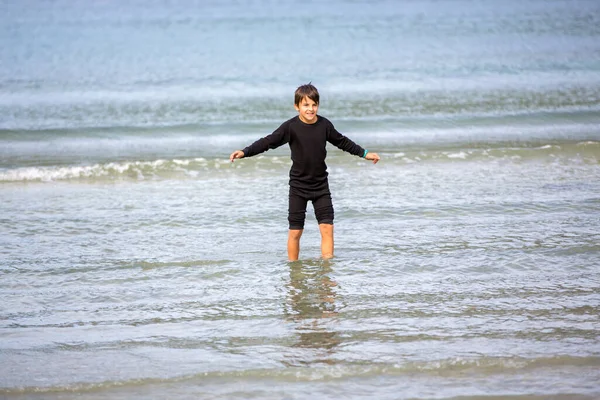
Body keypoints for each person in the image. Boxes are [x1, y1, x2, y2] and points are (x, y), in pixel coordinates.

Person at [229, 83, 380, 261]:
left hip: (321, 186)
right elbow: (268, 142)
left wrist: (364, 154)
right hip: (298, 188)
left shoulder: (325, 125)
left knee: (327, 229)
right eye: (306, 105)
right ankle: (294, 271)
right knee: (295, 232)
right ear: (297, 106)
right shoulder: (290, 127)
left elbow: (343, 142)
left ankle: (326, 270)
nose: (310, 109)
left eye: (314, 105)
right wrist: (245, 152)